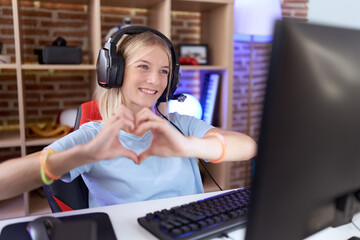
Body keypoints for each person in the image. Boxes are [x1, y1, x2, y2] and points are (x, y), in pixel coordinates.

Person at [0, 27, 257, 204]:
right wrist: (83, 154)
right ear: (114, 72)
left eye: (165, 71)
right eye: (143, 66)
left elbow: (247, 147)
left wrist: (188, 145)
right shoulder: (93, 136)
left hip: (186, 228)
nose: (155, 80)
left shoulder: (180, 126)